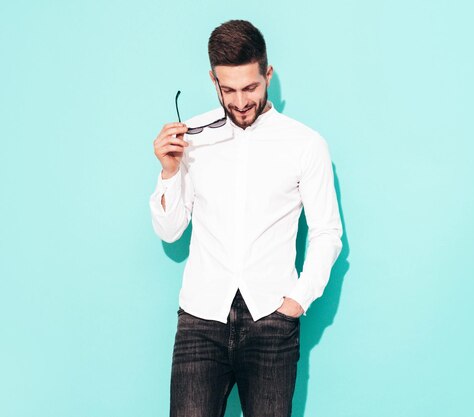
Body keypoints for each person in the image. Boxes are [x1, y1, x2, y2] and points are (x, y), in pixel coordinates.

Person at [149, 19, 343, 417]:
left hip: (272, 321)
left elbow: (327, 232)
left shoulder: (305, 144)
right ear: (213, 80)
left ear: (267, 73)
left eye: (250, 87)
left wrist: (296, 302)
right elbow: (170, 233)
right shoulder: (192, 138)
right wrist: (169, 172)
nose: (240, 102)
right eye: (228, 89)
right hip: (201, 321)